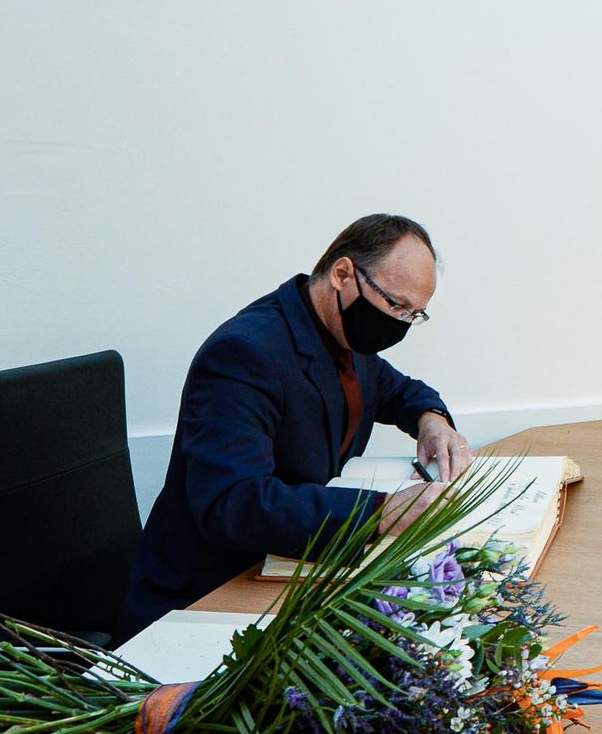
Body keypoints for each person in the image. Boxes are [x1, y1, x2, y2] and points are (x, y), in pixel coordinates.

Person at [117, 214, 473, 642]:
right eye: (395, 305)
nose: (399, 324)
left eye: (414, 315)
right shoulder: (244, 353)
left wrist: (431, 419)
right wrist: (380, 512)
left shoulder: (343, 331)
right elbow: (234, 503)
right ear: (343, 274)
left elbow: (395, 389)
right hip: (206, 597)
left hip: (283, 575)